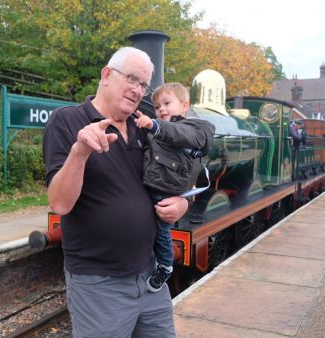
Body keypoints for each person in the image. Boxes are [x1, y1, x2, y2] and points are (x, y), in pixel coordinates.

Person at [43, 47, 188, 338]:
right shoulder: (67, 121)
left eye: (143, 85)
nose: (138, 90)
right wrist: (80, 151)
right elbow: (59, 203)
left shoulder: (145, 127)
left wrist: (184, 203)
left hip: (151, 277)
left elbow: (180, 174)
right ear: (107, 75)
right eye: (132, 79)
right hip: (99, 284)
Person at [133, 83, 214, 292]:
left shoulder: (196, 127)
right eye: (158, 106)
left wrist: (154, 125)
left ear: (184, 106)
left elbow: (180, 134)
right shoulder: (158, 128)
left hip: (166, 189)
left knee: (162, 229)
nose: (162, 110)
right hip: (152, 185)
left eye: (167, 103)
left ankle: (166, 265)